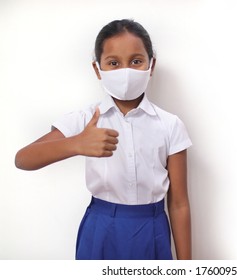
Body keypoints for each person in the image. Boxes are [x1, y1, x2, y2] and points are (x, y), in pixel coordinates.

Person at [15, 19, 192, 260]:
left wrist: (186, 268)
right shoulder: (86, 119)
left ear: (151, 65)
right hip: (101, 227)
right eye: (114, 63)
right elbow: (23, 159)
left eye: (136, 61)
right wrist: (76, 143)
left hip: (152, 229)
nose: (125, 71)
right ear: (98, 69)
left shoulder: (170, 125)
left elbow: (179, 203)